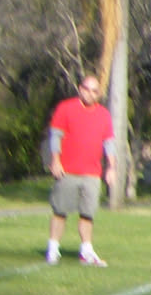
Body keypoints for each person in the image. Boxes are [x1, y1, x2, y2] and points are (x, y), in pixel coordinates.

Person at [45, 73, 115, 267]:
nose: (89, 93)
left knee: (87, 214)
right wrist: (55, 161)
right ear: (80, 89)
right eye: (86, 89)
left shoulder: (103, 114)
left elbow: (109, 142)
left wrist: (111, 167)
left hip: (92, 173)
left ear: (98, 93)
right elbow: (55, 136)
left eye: (94, 91)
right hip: (68, 171)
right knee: (60, 211)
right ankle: (53, 248)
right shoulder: (65, 108)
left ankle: (86, 250)